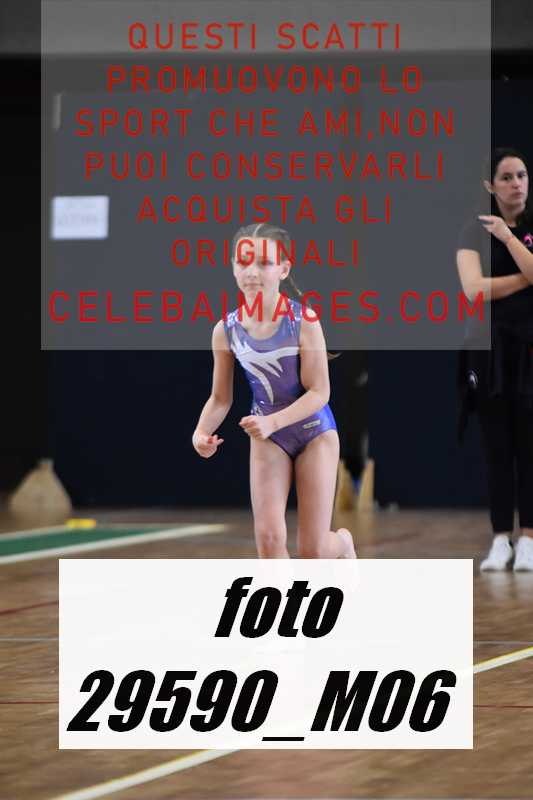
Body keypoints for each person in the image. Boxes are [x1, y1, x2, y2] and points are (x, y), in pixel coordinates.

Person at [192, 222, 356, 559]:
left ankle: (343, 543)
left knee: (313, 551)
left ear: (283, 269)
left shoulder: (304, 321)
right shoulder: (226, 330)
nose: (252, 272)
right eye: (243, 262)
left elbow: (319, 392)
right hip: (268, 437)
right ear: (233, 267)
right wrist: (201, 432)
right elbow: (220, 398)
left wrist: (272, 422)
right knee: (268, 540)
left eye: (264, 263)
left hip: (314, 431)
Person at [456, 147, 533, 571]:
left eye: (521, 175)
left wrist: (508, 238)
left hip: (529, 350)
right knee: (497, 447)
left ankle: (529, 540)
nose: (516, 183)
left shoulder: (523, 227)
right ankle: (501, 538)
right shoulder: (473, 230)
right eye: (506, 177)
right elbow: (474, 290)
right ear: (490, 185)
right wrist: (525, 277)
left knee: (530, 447)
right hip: (489, 352)